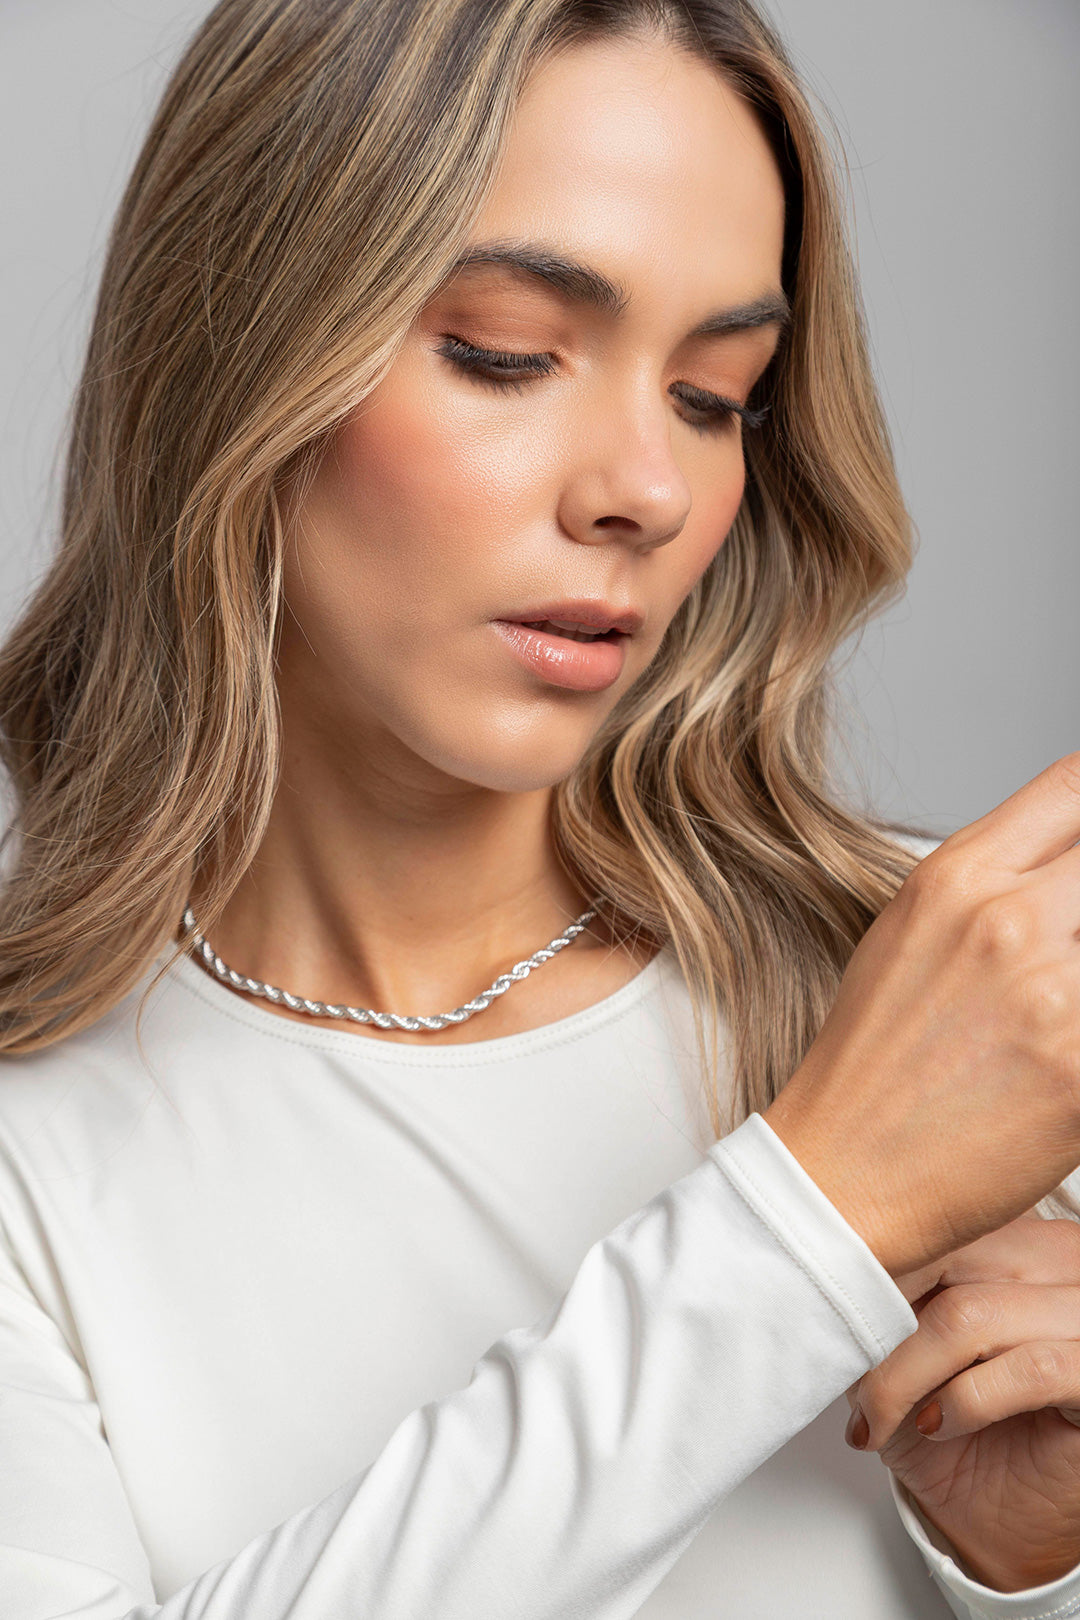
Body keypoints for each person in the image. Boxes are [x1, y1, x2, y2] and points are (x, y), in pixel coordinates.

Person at [1, 0, 1079, 1615]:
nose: (646, 488)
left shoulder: (981, 997)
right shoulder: (31, 1152)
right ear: (233, 356)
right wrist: (817, 1218)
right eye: (508, 353)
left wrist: (1033, 1563)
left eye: (716, 396)